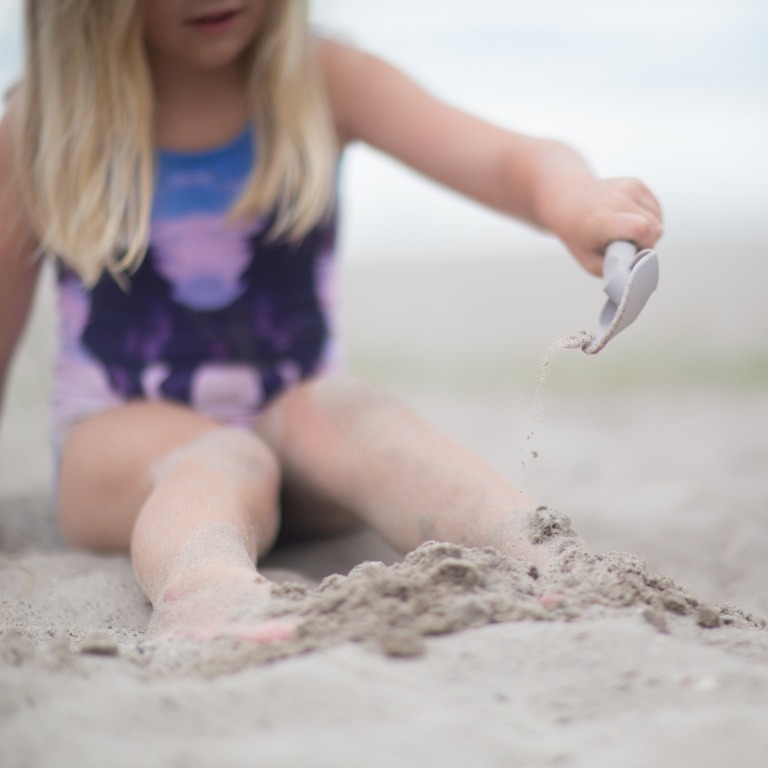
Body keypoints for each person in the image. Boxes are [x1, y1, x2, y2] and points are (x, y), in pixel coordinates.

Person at [0, 1, 662, 643]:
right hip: (118, 440)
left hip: (292, 424)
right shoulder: (42, 122)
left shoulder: (321, 77)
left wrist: (576, 199)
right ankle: (204, 587)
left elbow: (504, 159)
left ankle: (541, 552)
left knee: (348, 408)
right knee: (224, 457)